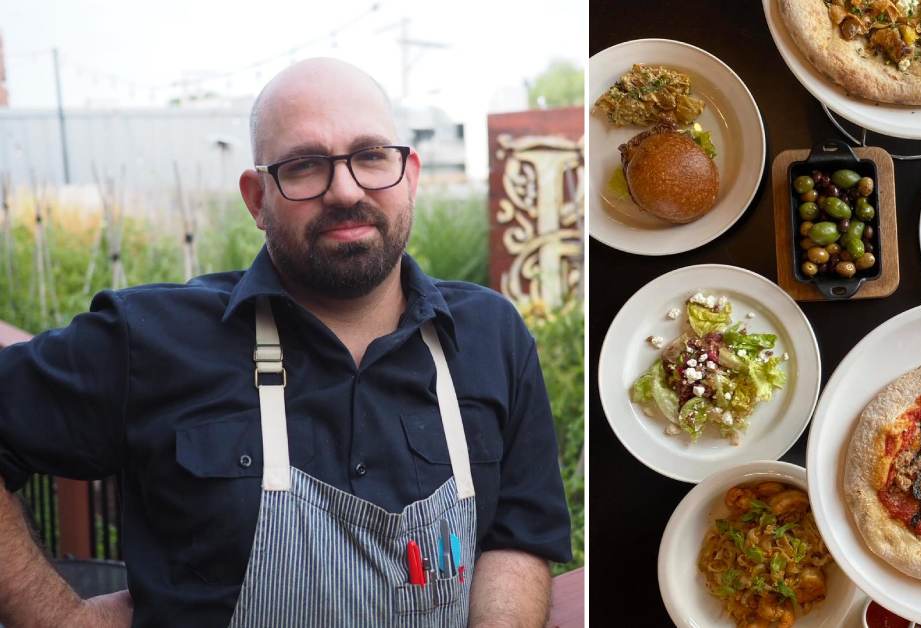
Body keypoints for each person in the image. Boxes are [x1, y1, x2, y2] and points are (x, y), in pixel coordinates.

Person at [0, 58, 572, 627]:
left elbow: (517, 536)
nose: (345, 190)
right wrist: (61, 618)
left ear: (410, 174)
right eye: (304, 166)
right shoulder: (151, 338)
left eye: (371, 156)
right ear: (256, 197)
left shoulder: (490, 334)